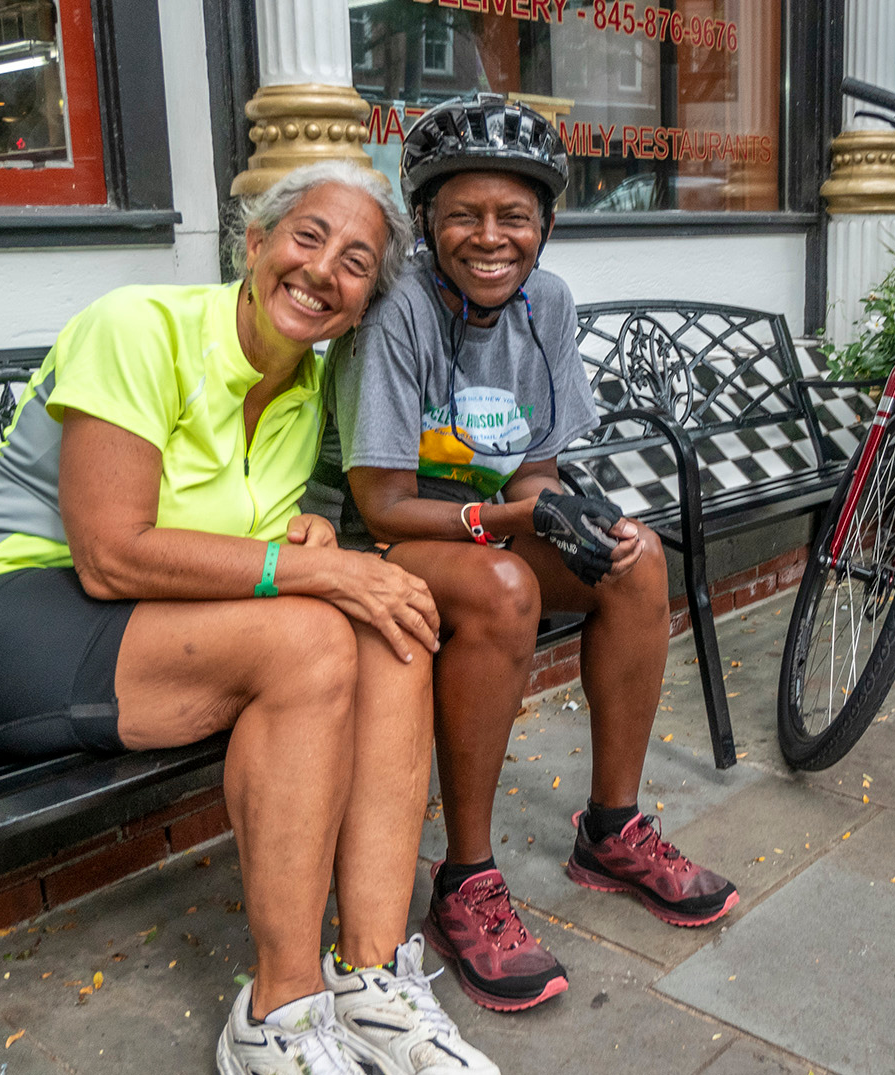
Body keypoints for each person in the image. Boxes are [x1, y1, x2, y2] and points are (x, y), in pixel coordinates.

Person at [0, 161, 498, 1075]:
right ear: (253, 246)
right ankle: (279, 1013)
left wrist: (310, 538)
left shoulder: (303, 390)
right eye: (307, 236)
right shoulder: (138, 325)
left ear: (366, 300)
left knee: (394, 623)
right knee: (315, 635)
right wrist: (303, 571)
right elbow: (113, 551)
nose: (325, 269)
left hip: (127, 615)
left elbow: (235, 546)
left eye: (358, 261)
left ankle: (372, 976)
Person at [317, 95, 739, 1013]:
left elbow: (536, 472)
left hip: (488, 532)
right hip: (383, 544)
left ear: (545, 225)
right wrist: (510, 524)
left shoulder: (546, 303)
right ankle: (465, 879)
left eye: (514, 216)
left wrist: (571, 515)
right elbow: (381, 504)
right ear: (426, 222)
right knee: (506, 588)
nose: (489, 237)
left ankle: (612, 830)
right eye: (463, 215)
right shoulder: (397, 314)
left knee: (638, 560)